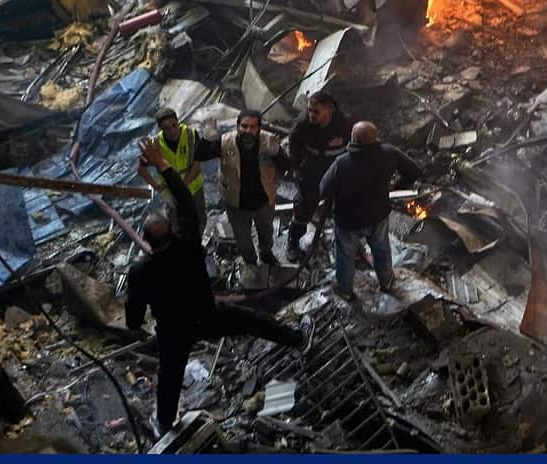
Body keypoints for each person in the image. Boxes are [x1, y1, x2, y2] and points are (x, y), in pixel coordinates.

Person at [126, 138, 311, 437]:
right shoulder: (187, 243)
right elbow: (185, 202)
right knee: (252, 321)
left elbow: (133, 318)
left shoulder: (139, 272)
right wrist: (163, 165)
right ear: (171, 231)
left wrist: (138, 323)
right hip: (207, 315)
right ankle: (297, 339)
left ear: (146, 241)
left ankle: (163, 424)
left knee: (169, 378)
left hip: (174, 331)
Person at [312, 121, 422, 300]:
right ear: (376, 137)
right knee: (381, 250)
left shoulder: (341, 163)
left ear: (353, 138)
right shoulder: (389, 153)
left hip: (348, 221)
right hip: (378, 215)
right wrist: (397, 186)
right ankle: (386, 281)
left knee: (346, 256)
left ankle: (345, 290)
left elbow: (323, 189)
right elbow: (415, 171)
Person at [194, 109, 281, 274]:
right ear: (237, 126)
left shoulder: (268, 141)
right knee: (244, 242)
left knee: (266, 234)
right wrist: (208, 139)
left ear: (259, 128)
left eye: (253, 127)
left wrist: (278, 154)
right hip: (237, 206)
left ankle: (266, 254)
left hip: (264, 203)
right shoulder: (225, 142)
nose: (248, 131)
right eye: (244, 126)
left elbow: (288, 165)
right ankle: (251, 265)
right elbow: (200, 155)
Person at [285, 89, 351, 262]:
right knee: (304, 206)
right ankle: (293, 242)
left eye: (316, 111)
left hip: (337, 168)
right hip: (312, 168)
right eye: (309, 110)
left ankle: (344, 245)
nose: (311, 115)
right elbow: (293, 143)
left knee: (344, 207)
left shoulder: (343, 123)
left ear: (329, 109)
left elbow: (354, 143)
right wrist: (296, 166)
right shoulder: (302, 124)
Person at [136, 107, 207, 239]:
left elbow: (197, 165)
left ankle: (197, 245)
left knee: (200, 219)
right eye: (166, 128)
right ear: (160, 129)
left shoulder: (191, 135)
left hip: (194, 188)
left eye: (174, 125)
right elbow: (141, 170)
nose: (172, 131)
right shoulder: (155, 144)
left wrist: (182, 187)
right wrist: (161, 189)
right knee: (175, 224)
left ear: (178, 121)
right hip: (171, 193)